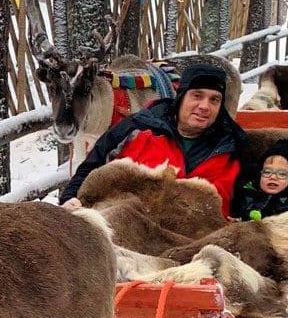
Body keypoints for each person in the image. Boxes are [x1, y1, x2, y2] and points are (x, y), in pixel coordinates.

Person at [59, 62, 248, 217]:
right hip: (127, 236)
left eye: (214, 100)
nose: (205, 106)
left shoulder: (232, 148)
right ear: (181, 97)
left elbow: (250, 203)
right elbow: (90, 167)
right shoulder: (136, 128)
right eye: (197, 96)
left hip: (197, 248)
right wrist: (70, 197)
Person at [231, 137, 288, 222]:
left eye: (282, 174)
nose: (273, 177)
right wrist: (238, 220)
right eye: (267, 172)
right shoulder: (247, 194)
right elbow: (237, 213)